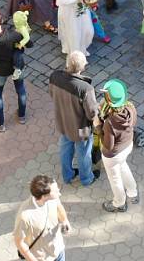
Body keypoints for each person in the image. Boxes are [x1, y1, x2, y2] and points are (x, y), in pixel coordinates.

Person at [49, 51, 100, 186]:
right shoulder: (85, 88)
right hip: (81, 128)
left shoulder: (54, 77)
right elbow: (91, 114)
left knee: (65, 148)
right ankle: (86, 178)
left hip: (63, 122)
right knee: (84, 153)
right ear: (82, 68)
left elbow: (52, 94)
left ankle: (68, 175)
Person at [96, 79, 139, 213]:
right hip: (127, 146)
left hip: (113, 155)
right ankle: (133, 193)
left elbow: (108, 145)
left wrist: (98, 126)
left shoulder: (110, 122)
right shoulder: (130, 107)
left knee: (115, 178)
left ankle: (119, 203)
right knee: (123, 166)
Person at [0, 10, 27, 132]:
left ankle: (1, 124)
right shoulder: (12, 35)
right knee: (21, 90)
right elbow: (29, 43)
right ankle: (22, 116)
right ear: (1, 21)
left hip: (0, 70)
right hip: (16, 67)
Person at [13, 175, 71, 261]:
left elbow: (59, 207)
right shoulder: (25, 217)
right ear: (44, 197)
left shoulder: (53, 198)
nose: (59, 193)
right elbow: (19, 243)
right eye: (55, 191)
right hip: (43, 258)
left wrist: (65, 221)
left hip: (58, 250)